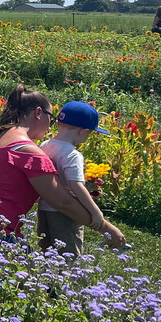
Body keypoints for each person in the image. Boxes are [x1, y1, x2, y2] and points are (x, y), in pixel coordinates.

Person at [0, 85, 126, 247]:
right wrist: (107, 228)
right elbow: (63, 203)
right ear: (38, 113)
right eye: (51, 118)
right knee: (37, 279)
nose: (51, 126)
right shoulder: (30, 153)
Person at [38, 101, 112, 255]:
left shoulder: (45, 145)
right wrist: (96, 212)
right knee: (68, 254)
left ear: (58, 123)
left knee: (46, 249)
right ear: (83, 131)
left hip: (44, 207)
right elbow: (76, 186)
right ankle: (65, 279)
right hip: (66, 213)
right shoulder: (73, 155)